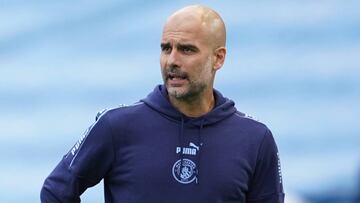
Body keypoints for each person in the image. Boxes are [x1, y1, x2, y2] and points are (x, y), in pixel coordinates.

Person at [41, 5, 284, 203]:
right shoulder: (116, 126)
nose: (172, 61)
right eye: (166, 48)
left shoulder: (255, 139)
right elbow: (56, 193)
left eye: (187, 50)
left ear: (218, 58)